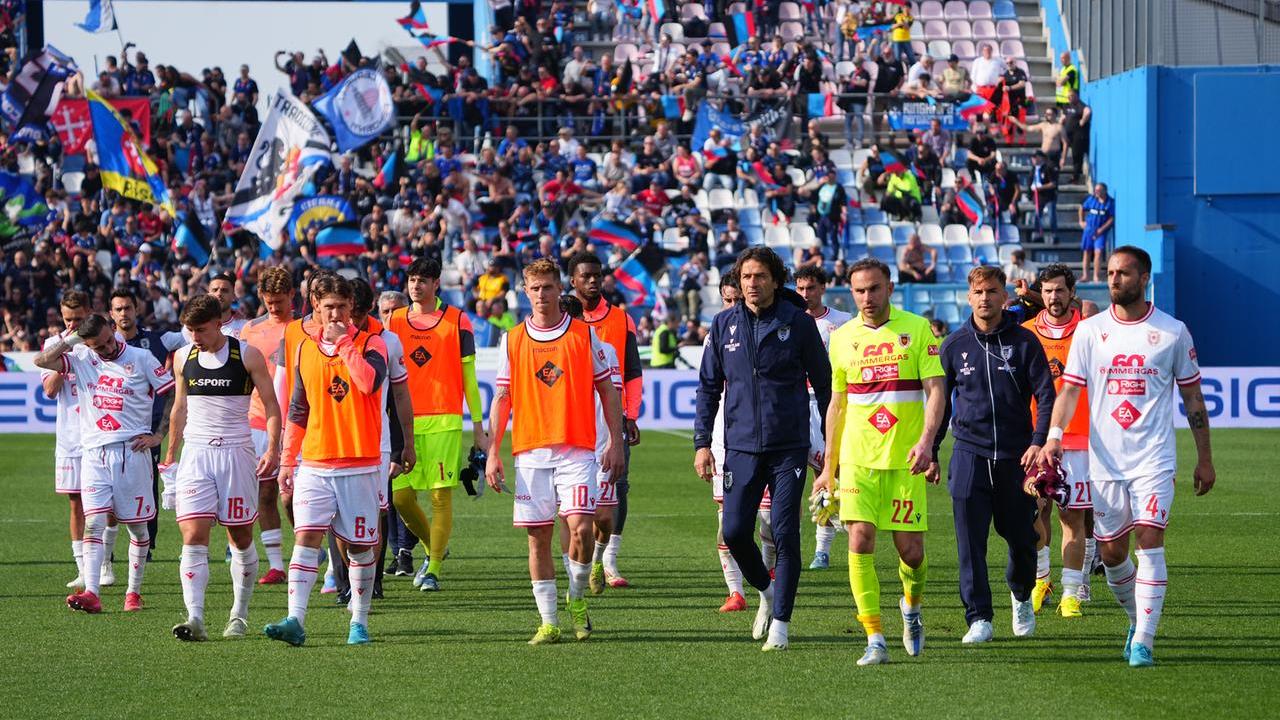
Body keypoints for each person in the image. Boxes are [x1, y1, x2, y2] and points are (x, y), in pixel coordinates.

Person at [1038, 246, 1215, 667]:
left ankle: (1145, 644)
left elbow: (1193, 398)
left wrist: (1204, 458)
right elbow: (1070, 391)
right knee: (1113, 554)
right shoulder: (1091, 330)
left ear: (1144, 278)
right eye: (1111, 272)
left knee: (1150, 541)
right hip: (1105, 462)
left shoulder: (1172, 332)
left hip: (1153, 460)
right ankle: (1138, 621)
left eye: (1123, 273)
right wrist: (1054, 435)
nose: (1114, 279)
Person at [694, 247, 832, 651]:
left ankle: (782, 626)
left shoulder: (798, 324)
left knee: (785, 532)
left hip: (788, 445)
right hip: (740, 447)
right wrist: (703, 443)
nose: (752, 284)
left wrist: (832, 445)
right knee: (735, 531)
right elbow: (707, 389)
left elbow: (825, 388)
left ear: (775, 280)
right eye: (746, 278)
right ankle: (766, 593)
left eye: (760, 277)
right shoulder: (722, 326)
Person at [811, 258, 944, 665]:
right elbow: (837, 403)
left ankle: (912, 607)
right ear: (850, 293)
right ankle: (874, 638)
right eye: (859, 291)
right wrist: (827, 469)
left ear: (889, 287)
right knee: (859, 538)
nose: (867, 298)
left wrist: (927, 442)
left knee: (912, 553)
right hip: (857, 458)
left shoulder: (917, 329)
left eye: (874, 288)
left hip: (906, 460)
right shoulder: (842, 337)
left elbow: (936, 390)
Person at [484, 259, 625, 645]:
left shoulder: (582, 335)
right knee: (537, 538)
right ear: (525, 292)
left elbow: (607, 391)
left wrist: (614, 441)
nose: (542, 294)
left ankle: (576, 600)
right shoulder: (511, 339)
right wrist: (493, 451)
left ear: (559, 289)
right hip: (530, 452)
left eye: (548, 287)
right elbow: (502, 397)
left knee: (580, 528)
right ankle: (549, 621)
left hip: (576, 450)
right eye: (535, 288)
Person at [930, 266, 1056, 645]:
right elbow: (940, 405)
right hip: (969, 454)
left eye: (992, 291)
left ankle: (1020, 594)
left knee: (1021, 539)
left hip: (1018, 459)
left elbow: (1046, 395)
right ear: (969, 297)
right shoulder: (954, 345)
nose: (985, 298)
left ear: (1005, 296)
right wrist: (932, 450)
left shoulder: (1025, 342)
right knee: (970, 542)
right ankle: (979, 617)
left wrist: (1038, 441)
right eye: (978, 292)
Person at [266, 274, 389, 647]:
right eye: (327, 307)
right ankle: (295, 620)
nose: (335, 314)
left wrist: (345, 343)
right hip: (315, 462)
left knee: (359, 548)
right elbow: (298, 410)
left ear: (352, 308)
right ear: (315, 309)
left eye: (341, 306)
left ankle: (359, 621)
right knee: (305, 537)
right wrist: (287, 462)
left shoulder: (373, 344)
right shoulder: (303, 349)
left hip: (360, 463)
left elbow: (367, 382)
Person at [35, 313, 176, 614]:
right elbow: (42, 361)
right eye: (98, 346)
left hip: (132, 453)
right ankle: (92, 592)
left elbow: (173, 393)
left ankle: (133, 592)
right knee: (94, 522)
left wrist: (159, 434)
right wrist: (71, 340)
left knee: (138, 530)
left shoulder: (142, 358)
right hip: (94, 454)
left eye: (109, 341)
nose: (107, 348)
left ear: (113, 330)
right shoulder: (83, 357)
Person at [163, 295, 281, 641]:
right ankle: (195, 618)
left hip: (236, 453)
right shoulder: (184, 356)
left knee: (240, 536)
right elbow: (179, 408)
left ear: (218, 322)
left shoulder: (246, 354)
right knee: (193, 535)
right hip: (196, 454)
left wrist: (273, 448)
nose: (194, 336)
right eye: (190, 330)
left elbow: (272, 407)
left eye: (200, 329)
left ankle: (238, 615)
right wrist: (172, 453)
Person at [386, 258, 487, 592]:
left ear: (436, 284)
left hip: (444, 420)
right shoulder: (395, 320)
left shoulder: (458, 320)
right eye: (412, 279)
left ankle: (435, 570)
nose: (416, 286)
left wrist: (478, 425)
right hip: (404, 422)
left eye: (423, 280)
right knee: (400, 499)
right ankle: (434, 548)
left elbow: (469, 378)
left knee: (441, 497)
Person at [1022, 265, 1095, 618]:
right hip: (1035, 440)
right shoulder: (1024, 333)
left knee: (1073, 517)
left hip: (1079, 440)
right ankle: (1041, 579)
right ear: (1041, 292)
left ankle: (1071, 593)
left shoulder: (1090, 331)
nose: (1054, 297)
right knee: (1033, 513)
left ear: (1071, 293)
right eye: (1048, 291)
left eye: (1060, 291)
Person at [568, 252, 643, 590]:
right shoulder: (560, 319)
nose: (593, 281)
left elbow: (633, 371)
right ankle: (580, 563)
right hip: (572, 428)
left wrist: (631, 415)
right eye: (586, 276)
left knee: (619, 487)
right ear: (573, 281)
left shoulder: (621, 320)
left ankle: (608, 560)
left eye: (597, 275)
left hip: (609, 422)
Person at [237, 266, 296, 585]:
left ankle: (310, 550)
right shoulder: (250, 329)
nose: (274, 307)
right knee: (265, 491)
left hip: (299, 423)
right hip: (258, 421)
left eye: (279, 301)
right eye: (268, 301)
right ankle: (277, 564)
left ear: (292, 295)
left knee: (294, 496)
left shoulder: (303, 327)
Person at [792, 266, 852, 571]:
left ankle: (822, 551)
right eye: (800, 289)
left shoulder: (841, 323)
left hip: (827, 404)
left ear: (823, 288)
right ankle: (782, 549)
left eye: (811, 288)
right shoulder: (789, 320)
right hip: (793, 404)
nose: (805, 294)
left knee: (826, 474)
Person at [42, 292, 94, 589]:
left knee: (105, 505)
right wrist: (66, 355)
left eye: (78, 318)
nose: (73, 324)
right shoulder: (53, 346)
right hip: (71, 439)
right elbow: (49, 390)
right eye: (68, 319)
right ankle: (83, 568)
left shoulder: (100, 342)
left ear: (89, 312)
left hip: (100, 435)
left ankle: (102, 562)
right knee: (76, 503)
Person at [161, 273, 246, 350]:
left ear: (234, 296)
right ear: (208, 294)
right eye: (215, 290)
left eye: (224, 290)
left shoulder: (244, 327)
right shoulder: (192, 326)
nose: (219, 293)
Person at [1079, 183, 1115, 283]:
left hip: (1100, 232)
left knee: (1098, 252)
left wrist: (1101, 230)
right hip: (1089, 230)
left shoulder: (1110, 202)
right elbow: (1082, 208)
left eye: (1099, 190)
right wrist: (1081, 221)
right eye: (1096, 190)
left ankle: (1096, 276)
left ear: (1105, 191)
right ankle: (1085, 276)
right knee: (1087, 252)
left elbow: (1111, 219)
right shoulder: (1092, 199)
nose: (1096, 192)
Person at [1028, 151, 1059, 243]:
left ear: (1040, 158)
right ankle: (1038, 234)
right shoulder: (1033, 170)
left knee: (1051, 216)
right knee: (1037, 216)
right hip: (1038, 197)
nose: (1033, 159)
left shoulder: (1048, 168)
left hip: (1049, 196)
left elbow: (1053, 184)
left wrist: (1041, 187)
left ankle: (1054, 235)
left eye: (1035, 157)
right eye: (1033, 158)